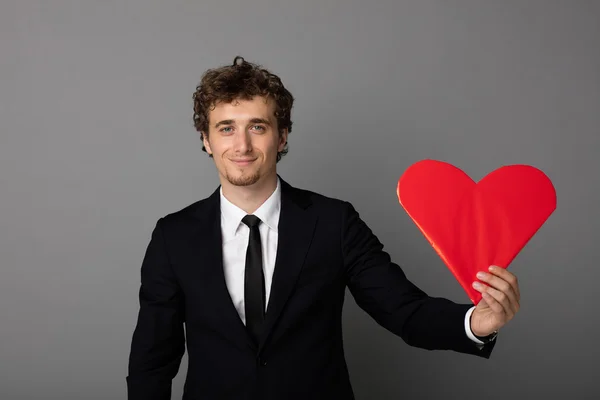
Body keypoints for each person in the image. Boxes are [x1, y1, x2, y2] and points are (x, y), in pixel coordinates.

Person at [126, 56, 521, 400]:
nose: (242, 145)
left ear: (282, 137)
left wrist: (475, 323)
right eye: (226, 128)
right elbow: (152, 360)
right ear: (207, 140)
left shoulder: (334, 222)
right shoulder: (173, 236)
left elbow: (404, 311)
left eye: (258, 127)